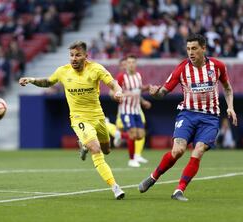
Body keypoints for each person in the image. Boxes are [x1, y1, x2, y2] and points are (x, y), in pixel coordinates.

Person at [19, 41, 125, 200]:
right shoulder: (63, 71)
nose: (74, 58)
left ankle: (83, 144)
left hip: (97, 116)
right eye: (71, 55)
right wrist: (32, 79)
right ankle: (115, 187)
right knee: (96, 149)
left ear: (85, 56)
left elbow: (113, 84)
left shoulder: (96, 69)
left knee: (106, 150)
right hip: (78, 117)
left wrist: (118, 92)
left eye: (78, 55)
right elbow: (48, 82)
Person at [138, 34, 238, 201]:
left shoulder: (217, 66)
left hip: (210, 118)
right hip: (188, 114)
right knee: (177, 151)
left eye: (194, 49)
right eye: (188, 49)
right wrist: (155, 93)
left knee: (198, 151)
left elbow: (228, 88)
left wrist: (230, 107)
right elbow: (164, 91)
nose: (190, 52)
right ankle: (153, 177)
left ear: (203, 48)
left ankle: (179, 190)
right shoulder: (182, 68)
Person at [113, 56, 150, 167]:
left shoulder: (138, 76)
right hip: (126, 110)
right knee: (132, 135)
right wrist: (124, 94)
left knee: (140, 135)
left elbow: (137, 90)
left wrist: (144, 97)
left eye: (133, 62)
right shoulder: (121, 77)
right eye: (129, 62)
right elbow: (116, 93)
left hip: (136, 110)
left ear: (136, 64)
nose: (131, 64)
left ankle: (120, 135)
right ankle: (132, 159)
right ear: (126, 64)